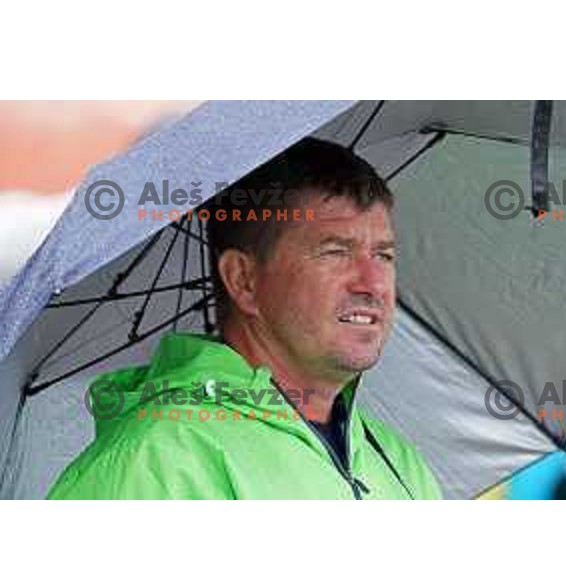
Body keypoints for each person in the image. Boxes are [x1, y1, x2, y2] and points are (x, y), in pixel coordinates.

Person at [48, 137, 442, 499]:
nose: (373, 284)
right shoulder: (153, 464)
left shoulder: (398, 461)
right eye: (335, 252)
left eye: (384, 255)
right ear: (245, 280)